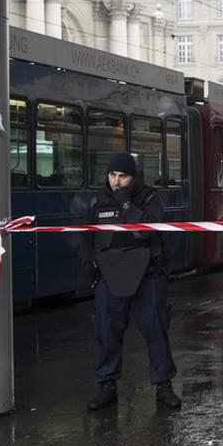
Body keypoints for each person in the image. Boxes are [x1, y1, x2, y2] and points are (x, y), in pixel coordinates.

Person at [79, 151, 181, 411]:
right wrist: (90, 268)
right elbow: (87, 239)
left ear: (133, 178)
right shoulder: (99, 202)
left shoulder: (149, 198)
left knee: (156, 330)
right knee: (107, 332)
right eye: (112, 175)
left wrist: (126, 205)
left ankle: (164, 386)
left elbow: (149, 228)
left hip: (147, 276)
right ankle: (107, 385)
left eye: (122, 176)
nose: (116, 181)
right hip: (109, 278)